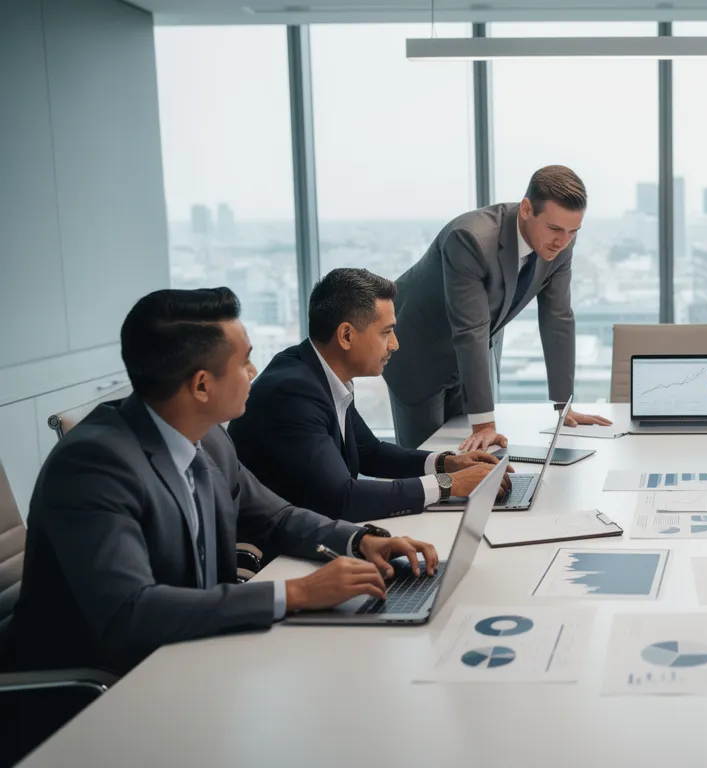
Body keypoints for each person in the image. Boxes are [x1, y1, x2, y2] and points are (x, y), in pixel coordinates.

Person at [6, 288, 439, 676]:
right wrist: (296, 592)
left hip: (194, 652)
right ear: (200, 386)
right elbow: (130, 612)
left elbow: (277, 517)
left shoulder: (208, 436)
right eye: (243, 360)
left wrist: (362, 540)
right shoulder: (93, 466)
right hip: (98, 687)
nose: (254, 372)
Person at [229, 269, 512, 523]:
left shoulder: (317, 373)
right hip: (276, 558)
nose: (395, 344)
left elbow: (370, 453)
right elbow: (344, 499)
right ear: (346, 336)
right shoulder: (293, 391)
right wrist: (448, 483)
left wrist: (447, 462)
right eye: (386, 332)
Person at [383, 165, 611, 452]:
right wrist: (483, 424)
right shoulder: (469, 238)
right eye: (554, 228)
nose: (563, 242)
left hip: (472, 359)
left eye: (572, 231)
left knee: (472, 464)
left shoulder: (561, 243)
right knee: (429, 464)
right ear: (527, 209)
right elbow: (470, 330)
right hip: (421, 355)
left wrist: (564, 407)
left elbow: (558, 319)